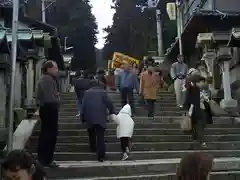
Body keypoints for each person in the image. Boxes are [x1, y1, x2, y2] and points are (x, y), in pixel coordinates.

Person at [81, 80, 115, 162]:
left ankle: (93, 148)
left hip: (89, 117)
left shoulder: (86, 93)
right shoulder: (103, 92)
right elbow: (109, 103)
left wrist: (82, 117)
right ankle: (101, 155)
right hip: (100, 117)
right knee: (100, 137)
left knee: (91, 133)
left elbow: (83, 106)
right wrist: (112, 112)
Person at [35, 60, 59, 167]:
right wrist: (57, 100)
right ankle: (47, 159)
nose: (57, 70)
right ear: (49, 68)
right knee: (50, 134)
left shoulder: (46, 79)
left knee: (45, 133)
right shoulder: (48, 80)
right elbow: (50, 97)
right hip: (49, 108)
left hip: (45, 108)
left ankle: (43, 159)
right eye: (55, 68)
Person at [185, 75, 207, 147]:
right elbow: (193, 101)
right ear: (198, 82)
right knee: (200, 125)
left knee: (195, 125)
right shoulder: (196, 89)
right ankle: (202, 141)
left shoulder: (190, 88)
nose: (203, 84)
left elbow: (187, 100)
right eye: (202, 82)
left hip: (192, 110)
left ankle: (195, 138)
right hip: (196, 110)